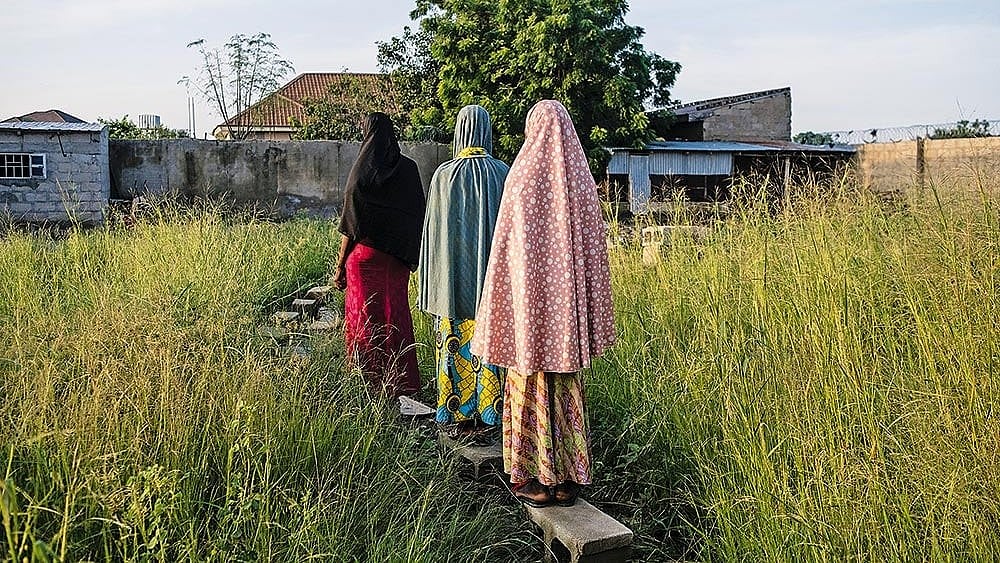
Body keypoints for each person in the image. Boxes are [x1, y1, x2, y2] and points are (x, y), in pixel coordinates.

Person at [472, 100, 616, 508]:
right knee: (565, 388)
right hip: (564, 326)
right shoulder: (582, 184)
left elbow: (505, 258)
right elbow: (594, 257)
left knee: (528, 388)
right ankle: (567, 479)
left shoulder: (520, 179)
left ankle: (536, 479)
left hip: (528, 324)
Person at [418, 105, 510, 435]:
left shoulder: (444, 175)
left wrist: (430, 281)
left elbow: (432, 235)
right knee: (492, 345)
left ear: (458, 130)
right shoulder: (502, 172)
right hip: (492, 284)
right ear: (486, 130)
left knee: (454, 344)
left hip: (452, 284)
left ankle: (456, 412)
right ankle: (490, 412)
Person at [334, 112, 426, 397]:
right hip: (396, 261)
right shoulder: (409, 170)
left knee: (365, 319)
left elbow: (351, 224)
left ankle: (367, 383)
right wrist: (412, 256)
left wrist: (339, 267)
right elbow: (417, 216)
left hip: (364, 260)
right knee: (395, 316)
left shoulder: (361, 172)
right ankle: (402, 383)